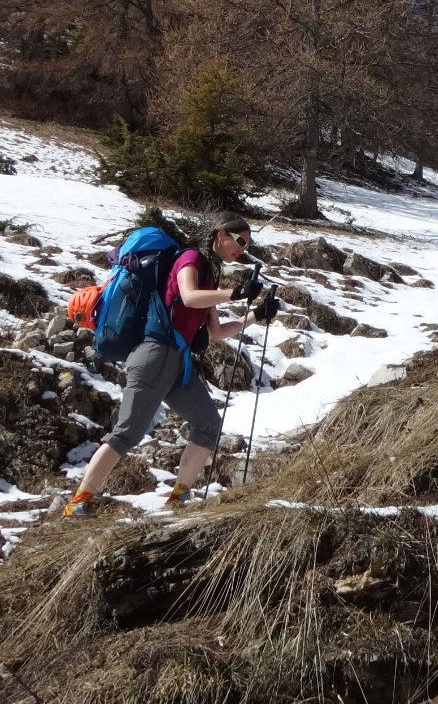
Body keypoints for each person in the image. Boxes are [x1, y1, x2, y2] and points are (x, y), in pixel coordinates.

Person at [61, 212, 279, 516]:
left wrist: (257, 314)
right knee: (127, 433)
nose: (242, 248)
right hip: (155, 354)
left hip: (176, 360)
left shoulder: (210, 274)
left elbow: (216, 333)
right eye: (240, 240)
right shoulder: (189, 258)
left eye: (247, 243)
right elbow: (189, 297)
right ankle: (78, 503)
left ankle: (178, 501)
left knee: (208, 425)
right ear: (220, 235)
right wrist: (236, 293)